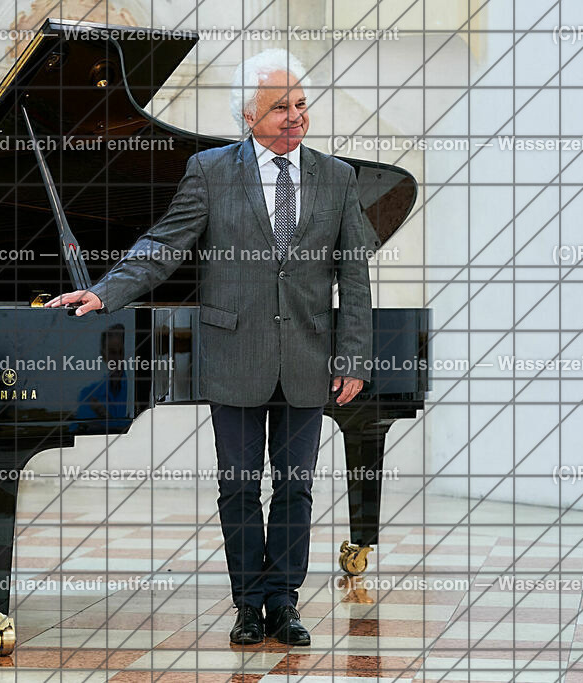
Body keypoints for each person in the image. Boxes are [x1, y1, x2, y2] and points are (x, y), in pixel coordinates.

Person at [49, 49, 377, 646]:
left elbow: (354, 274)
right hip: (233, 353)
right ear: (248, 115)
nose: (295, 116)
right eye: (280, 107)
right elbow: (164, 245)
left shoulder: (337, 176)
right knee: (239, 485)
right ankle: (248, 602)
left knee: (297, 485)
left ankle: (285, 602)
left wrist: (353, 355)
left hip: (309, 355)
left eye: (301, 104)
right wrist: (105, 293)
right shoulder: (210, 170)